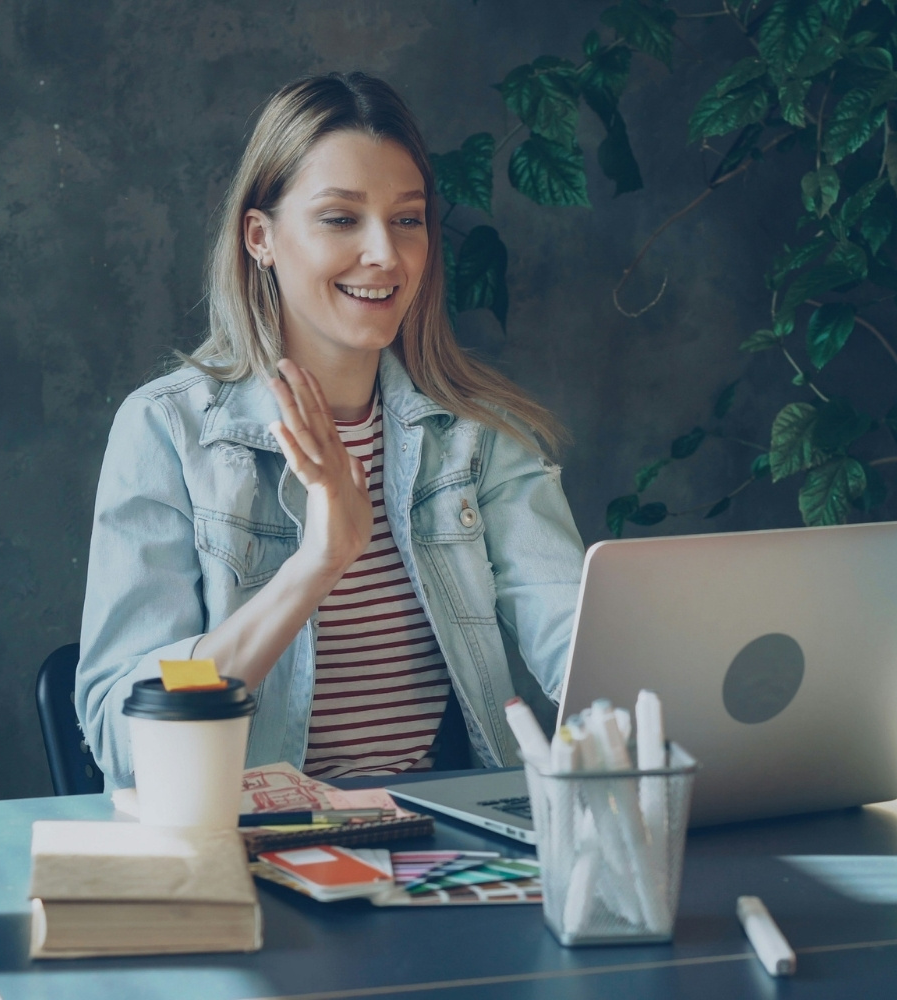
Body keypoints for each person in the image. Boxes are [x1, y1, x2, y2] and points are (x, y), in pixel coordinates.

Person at [75, 72, 584, 788]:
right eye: (341, 219)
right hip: (247, 842)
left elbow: (580, 648)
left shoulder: (477, 435)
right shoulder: (168, 431)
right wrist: (317, 564)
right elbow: (123, 738)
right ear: (262, 237)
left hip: (442, 842)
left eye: (407, 219)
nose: (385, 253)